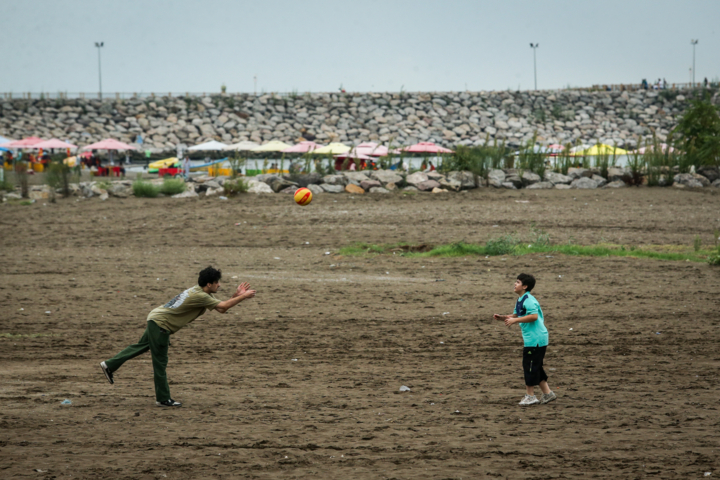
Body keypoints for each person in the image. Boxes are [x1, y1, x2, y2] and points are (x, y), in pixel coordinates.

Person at [99, 266, 256, 407]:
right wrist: (243, 296)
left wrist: (236, 295)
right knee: (160, 362)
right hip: (161, 324)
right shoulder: (201, 296)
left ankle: (110, 365)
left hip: (155, 318)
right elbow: (223, 306)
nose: (219, 285)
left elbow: (221, 309)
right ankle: (163, 398)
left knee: (141, 346)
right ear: (209, 284)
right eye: (217, 282)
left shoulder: (199, 291)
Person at [493, 273, 556, 406]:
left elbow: (533, 316)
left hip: (536, 339)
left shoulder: (529, 299)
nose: (515, 284)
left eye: (517, 282)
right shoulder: (521, 299)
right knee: (536, 366)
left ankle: (530, 396)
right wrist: (504, 317)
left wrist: (515, 320)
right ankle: (548, 393)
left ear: (525, 286)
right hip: (533, 339)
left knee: (530, 366)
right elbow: (518, 314)